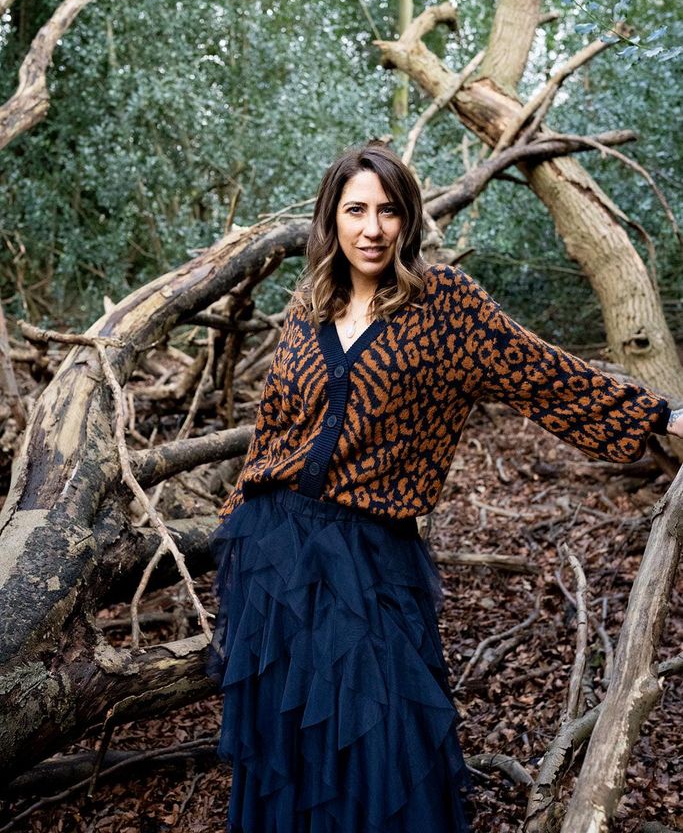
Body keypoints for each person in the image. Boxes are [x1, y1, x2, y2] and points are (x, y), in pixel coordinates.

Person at [207, 141, 681, 833]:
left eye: (388, 211)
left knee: (385, 733)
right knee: (293, 740)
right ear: (330, 219)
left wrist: (659, 414)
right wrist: (233, 522)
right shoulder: (308, 305)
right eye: (356, 210)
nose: (372, 228)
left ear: (410, 220)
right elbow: (275, 423)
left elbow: (541, 374)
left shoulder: (445, 305)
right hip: (274, 554)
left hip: (372, 556)